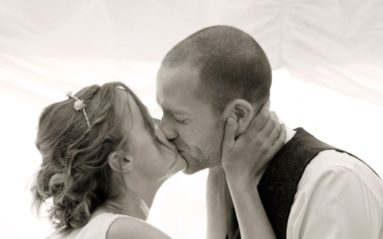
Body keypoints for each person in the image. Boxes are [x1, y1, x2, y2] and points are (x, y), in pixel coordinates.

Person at [156, 25, 383, 239]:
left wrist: (241, 186)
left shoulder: (333, 183)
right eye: (162, 111)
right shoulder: (224, 178)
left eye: (180, 118)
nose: (164, 131)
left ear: (239, 115)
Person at [31, 82, 284, 239]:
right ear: (122, 162)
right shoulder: (121, 232)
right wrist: (242, 182)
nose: (165, 129)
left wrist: (220, 167)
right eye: (147, 123)